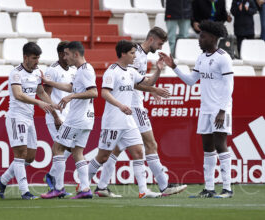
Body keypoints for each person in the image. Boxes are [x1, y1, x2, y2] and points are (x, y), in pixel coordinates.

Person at [91, 27, 188, 197]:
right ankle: (164, 185)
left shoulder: (138, 55)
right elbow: (130, 82)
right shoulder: (134, 56)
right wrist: (154, 90)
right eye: (159, 43)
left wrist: (153, 84)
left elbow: (142, 81)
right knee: (150, 144)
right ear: (151, 39)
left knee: (118, 149)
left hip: (133, 106)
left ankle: (102, 186)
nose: (159, 47)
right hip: (133, 106)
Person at [160, 20, 234, 198]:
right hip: (205, 109)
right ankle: (209, 188)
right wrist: (174, 67)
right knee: (207, 148)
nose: (199, 39)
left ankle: (227, 189)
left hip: (220, 109)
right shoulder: (201, 58)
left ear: (213, 38)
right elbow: (191, 81)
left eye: (203, 36)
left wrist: (223, 110)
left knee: (220, 145)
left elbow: (229, 85)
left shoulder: (224, 57)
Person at [0, 42, 58, 200]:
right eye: (34, 58)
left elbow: (40, 92)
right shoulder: (16, 73)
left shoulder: (37, 73)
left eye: (38, 58)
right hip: (16, 117)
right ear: (25, 57)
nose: (37, 61)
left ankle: (2, 181)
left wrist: (52, 106)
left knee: (30, 157)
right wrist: (39, 103)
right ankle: (24, 192)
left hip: (29, 118)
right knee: (20, 154)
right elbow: (18, 95)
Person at [40, 41, 98, 199]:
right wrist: (50, 82)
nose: (64, 57)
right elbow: (71, 87)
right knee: (78, 152)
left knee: (57, 149)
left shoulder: (85, 70)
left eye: (67, 54)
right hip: (87, 119)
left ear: (75, 54)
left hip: (76, 119)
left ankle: (58, 188)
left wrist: (72, 96)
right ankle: (85, 188)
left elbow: (93, 92)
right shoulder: (81, 70)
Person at [42, 41, 76, 196]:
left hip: (69, 116)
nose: (71, 55)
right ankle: (58, 187)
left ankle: (51, 176)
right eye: (68, 52)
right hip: (55, 117)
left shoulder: (73, 69)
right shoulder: (52, 70)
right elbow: (45, 95)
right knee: (62, 148)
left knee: (71, 148)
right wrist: (55, 115)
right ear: (62, 53)